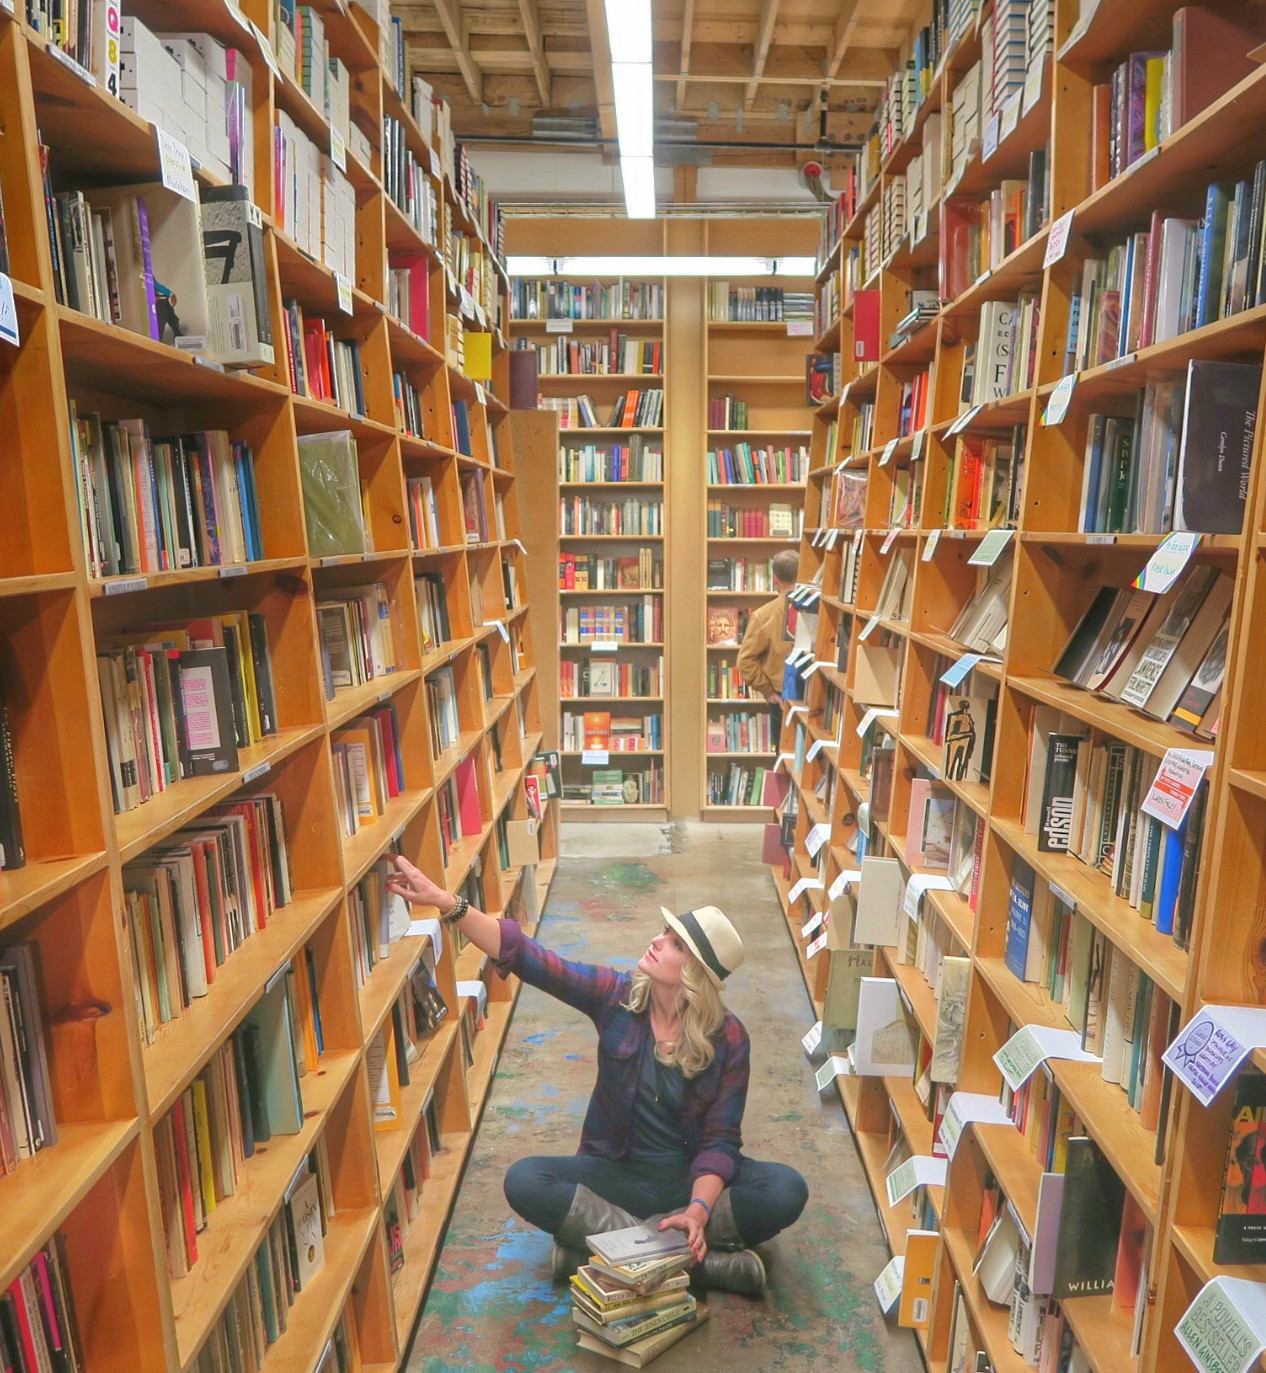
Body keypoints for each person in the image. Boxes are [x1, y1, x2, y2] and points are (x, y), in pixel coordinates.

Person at [384, 856, 809, 1298]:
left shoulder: (729, 1037)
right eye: (664, 932)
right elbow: (534, 960)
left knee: (785, 1189)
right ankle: (700, 1265)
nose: (657, 941)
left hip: (687, 1181)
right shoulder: (618, 998)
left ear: (694, 974)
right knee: (525, 1180)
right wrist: (446, 903)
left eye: (675, 943)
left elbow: (721, 1141)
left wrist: (700, 1210)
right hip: (617, 1175)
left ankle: (606, 1255)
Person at [736, 549, 800, 712]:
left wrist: (768, 691)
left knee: (781, 738)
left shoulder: (763, 616)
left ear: (775, 579)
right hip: (818, 695)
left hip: (781, 696)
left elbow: (745, 661)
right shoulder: (823, 609)